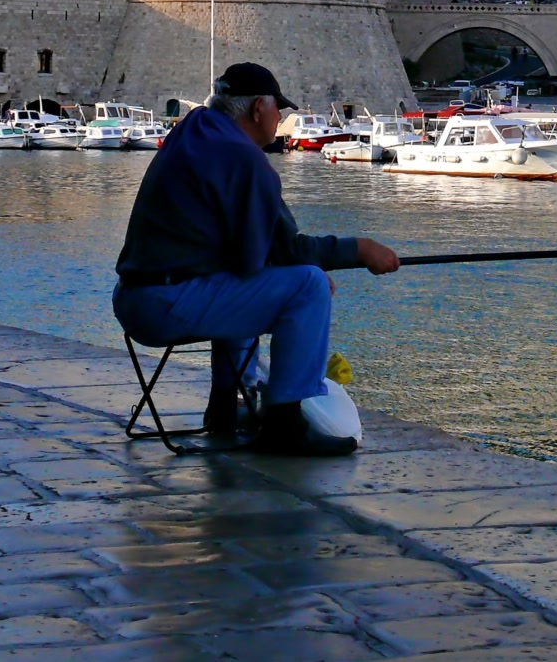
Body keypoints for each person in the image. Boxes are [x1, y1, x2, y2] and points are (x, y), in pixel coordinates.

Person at [114, 62, 400, 457]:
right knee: (308, 286)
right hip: (167, 305)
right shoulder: (242, 158)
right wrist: (360, 249)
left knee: (250, 275)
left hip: (134, 299)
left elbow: (250, 255)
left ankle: (227, 407)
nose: (281, 119)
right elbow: (287, 249)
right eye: (278, 109)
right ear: (257, 109)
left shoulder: (194, 131)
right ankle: (284, 423)